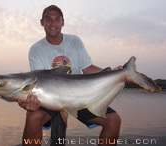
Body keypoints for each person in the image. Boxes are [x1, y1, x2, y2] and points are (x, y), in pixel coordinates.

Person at [18, 5, 121, 146]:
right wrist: (30, 103)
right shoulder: (36, 49)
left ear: (63, 22)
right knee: (33, 117)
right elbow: (39, 81)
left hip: (80, 97)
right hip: (50, 98)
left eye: (57, 19)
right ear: (42, 22)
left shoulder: (75, 41)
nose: (53, 23)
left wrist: (112, 73)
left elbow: (88, 68)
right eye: (48, 19)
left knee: (114, 120)